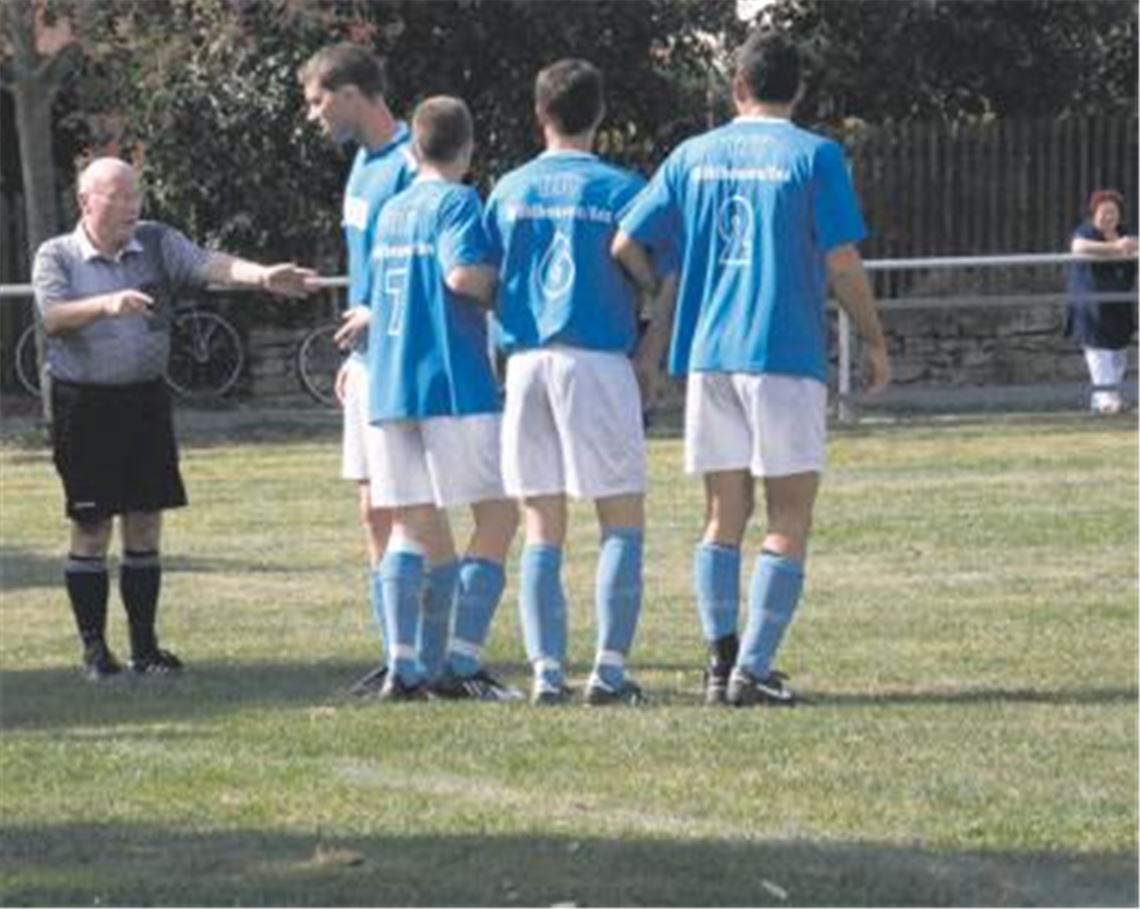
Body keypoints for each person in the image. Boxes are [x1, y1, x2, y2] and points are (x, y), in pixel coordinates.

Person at [613, 31, 891, 707]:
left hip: (708, 355)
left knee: (721, 513)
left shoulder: (692, 156)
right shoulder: (816, 155)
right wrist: (873, 338)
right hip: (783, 351)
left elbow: (626, 241)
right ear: (796, 90)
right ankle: (756, 669)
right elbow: (842, 262)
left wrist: (655, 293)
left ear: (737, 86)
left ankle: (719, 661)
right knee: (788, 513)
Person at [32, 156, 315, 681]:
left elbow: (209, 263)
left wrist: (262, 276)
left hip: (145, 401)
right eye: (116, 197)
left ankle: (145, 649)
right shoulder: (58, 254)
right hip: (84, 404)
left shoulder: (158, 242)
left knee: (145, 522)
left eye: (134, 196)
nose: (129, 207)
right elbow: (51, 317)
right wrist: (106, 303)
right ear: (85, 202)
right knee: (92, 528)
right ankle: (96, 652)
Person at [484, 59, 664, 706]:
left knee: (541, 524)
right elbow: (646, 262)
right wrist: (650, 320)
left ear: (541, 115)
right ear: (600, 116)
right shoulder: (621, 188)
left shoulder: (508, 190)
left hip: (527, 363)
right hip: (596, 358)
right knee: (620, 518)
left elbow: (484, 276)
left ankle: (546, 671)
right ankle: (609, 671)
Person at [299, 43, 454, 695]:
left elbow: (429, 254)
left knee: (413, 507)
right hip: (368, 357)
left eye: (316, 101)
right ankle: (400, 651)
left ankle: (434, 656)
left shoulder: (410, 164)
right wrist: (355, 349)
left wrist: (377, 313)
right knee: (372, 510)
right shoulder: (362, 163)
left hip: (402, 356)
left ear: (352, 94)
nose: (312, 116)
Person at [366, 95, 520, 701]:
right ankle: (460, 664)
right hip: (450, 382)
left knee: (411, 523)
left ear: (413, 148)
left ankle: (403, 667)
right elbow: (462, 277)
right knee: (498, 513)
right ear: (468, 147)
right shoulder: (457, 201)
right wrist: (504, 285)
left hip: (391, 382)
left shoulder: (392, 210)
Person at [1064, 188, 1138, 415]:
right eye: (1104, 212)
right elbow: (1078, 247)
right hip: (1091, 306)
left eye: (1113, 212)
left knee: (1118, 354)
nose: (1109, 217)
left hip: (1119, 305)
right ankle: (1107, 400)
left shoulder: (1127, 234)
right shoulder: (1086, 232)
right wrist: (1115, 248)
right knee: (1099, 352)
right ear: (1094, 214)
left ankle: (1104, 400)